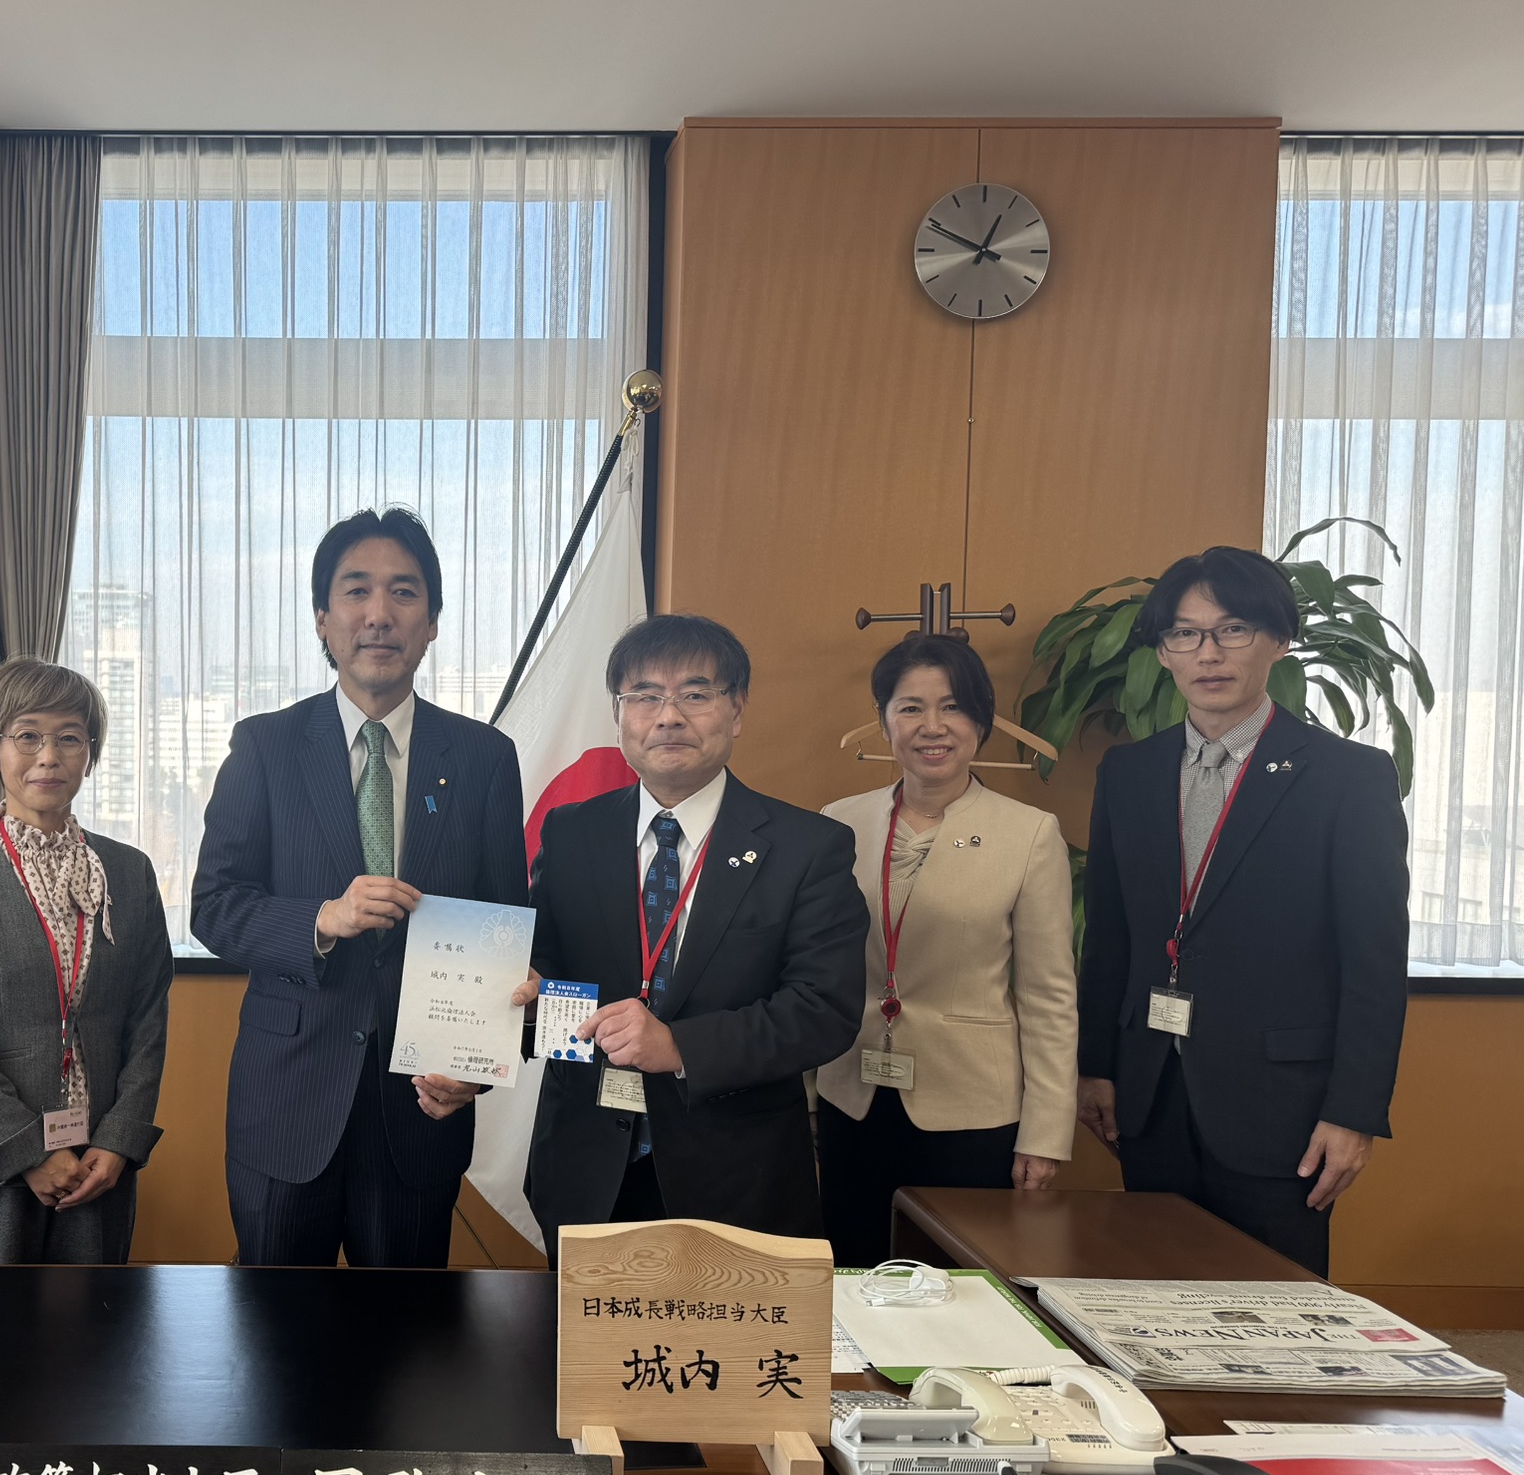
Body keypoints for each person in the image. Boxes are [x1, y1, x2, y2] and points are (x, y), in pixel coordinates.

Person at [193, 507, 525, 1268]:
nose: (379, 613)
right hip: (286, 1103)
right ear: (323, 618)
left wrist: (474, 1068)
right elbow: (214, 906)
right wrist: (322, 918)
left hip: (420, 1107)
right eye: (356, 590)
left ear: (432, 622)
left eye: (404, 592)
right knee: (275, 1330)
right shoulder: (266, 744)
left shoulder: (483, 757)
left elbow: (502, 926)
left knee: (405, 1334)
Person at [1078, 547, 1407, 1276]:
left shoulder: (1347, 777)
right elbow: (1109, 937)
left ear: (1278, 639)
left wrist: (1354, 1113)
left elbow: (1374, 962)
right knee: (1152, 1301)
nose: (1209, 653)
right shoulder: (1129, 773)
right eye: (1185, 633)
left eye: (1232, 629)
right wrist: (1094, 1067)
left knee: (1271, 1311)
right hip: (1151, 1095)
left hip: (1281, 1107)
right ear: (1163, 652)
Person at [514, 613, 867, 1256]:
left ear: (737, 710)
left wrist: (680, 1046)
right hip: (585, 1168)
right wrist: (522, 1006)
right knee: (588, 1329)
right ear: (618, 714)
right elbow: (544, 973)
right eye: (645, 695)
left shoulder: (808, 847)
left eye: (695, 694)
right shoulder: (571, 833)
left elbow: (824, 1010)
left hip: (739, 1178)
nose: (668, 716)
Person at [816, 634, 1077, 1266]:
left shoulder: (1029, 834)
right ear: (884, 720)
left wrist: (1045, 1133)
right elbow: (811, 972)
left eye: (953, 706)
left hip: (972, 1110)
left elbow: (1048, 995)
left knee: (957, 1283)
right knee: (851, 1273)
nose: (932, 727)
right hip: (850, 1095)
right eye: (910, 707)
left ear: (981, 720)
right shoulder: (837, 824)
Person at [0, 659, 171, 1262]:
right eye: (27, 736)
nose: (48, 756)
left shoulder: (129, 872)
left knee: (92, 1323)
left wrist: (121, 1139)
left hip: (97, 1165)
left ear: (90, 754)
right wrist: (29, 1151)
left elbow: (147, 1020)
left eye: (69, 738)